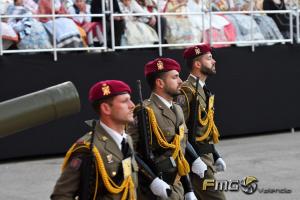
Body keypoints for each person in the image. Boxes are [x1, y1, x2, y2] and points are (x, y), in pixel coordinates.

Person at [50, 80, 139, 200]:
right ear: (106, 108)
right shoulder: (88, 148)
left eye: (130, 99)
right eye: (125, 101)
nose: (132, 105)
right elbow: (61, 195)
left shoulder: (126, 140)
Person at [127, 58, 198, 200]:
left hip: (177, 185)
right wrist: (152, 180)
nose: (181, 81)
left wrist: (188, 188)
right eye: (175, 77)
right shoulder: (144, 111)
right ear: (160, 83)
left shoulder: (177, 109)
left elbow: (179, 152)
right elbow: (129, 152)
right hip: (154, 190)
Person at [175, 44, 227, 200]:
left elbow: (205, 128)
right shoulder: (186, 90)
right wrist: (194, 159)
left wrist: (215, 154)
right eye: (209, 58)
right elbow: (181, 131)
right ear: (197, 64)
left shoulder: (202, 89)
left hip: (206, 156)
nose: (214, 61)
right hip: (195, 157)